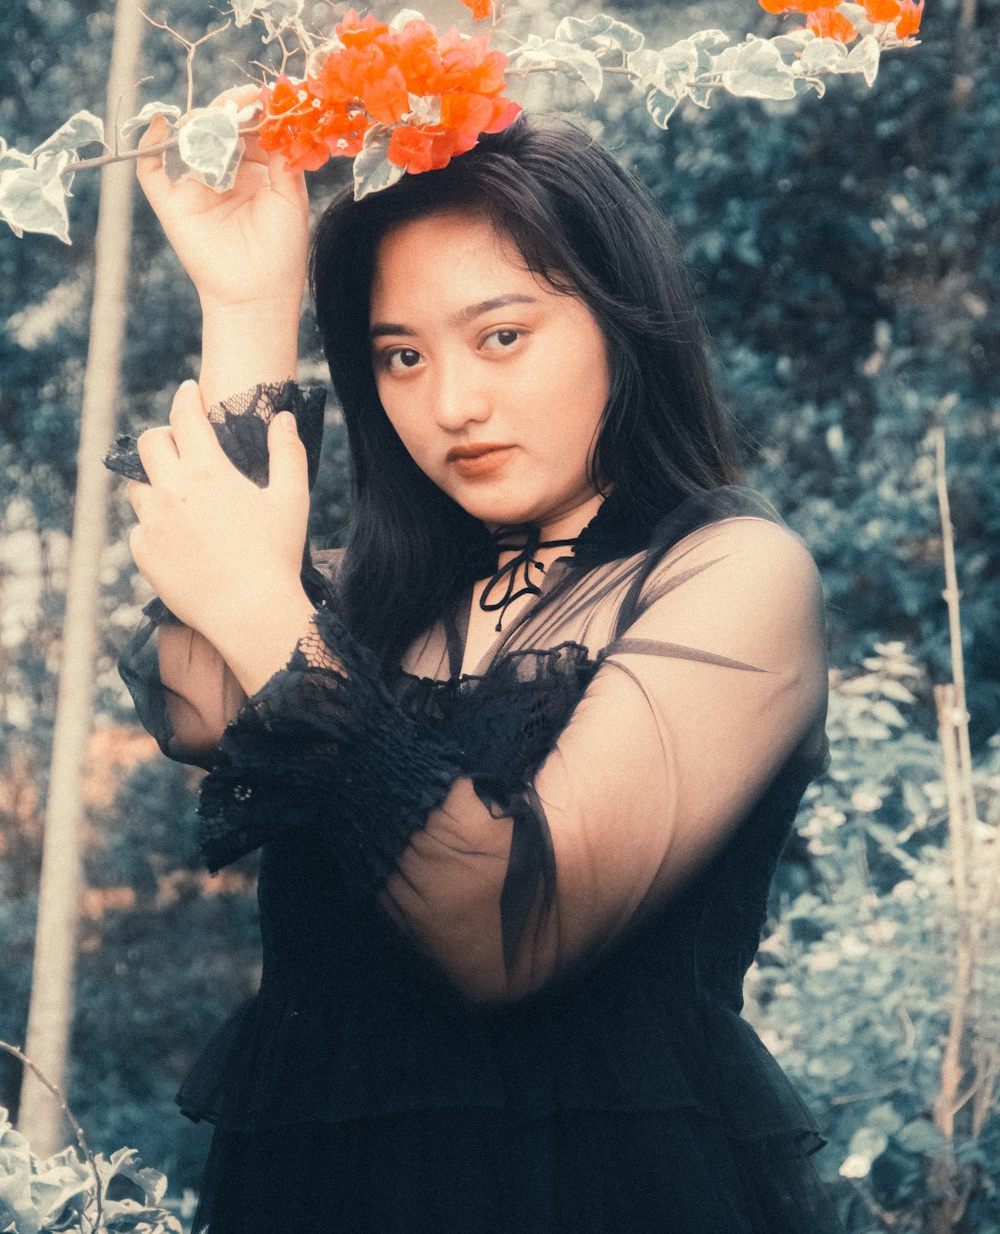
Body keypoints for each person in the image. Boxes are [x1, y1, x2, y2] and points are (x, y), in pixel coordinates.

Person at [108, 98, 847, 1234]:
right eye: (398, 356)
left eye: (501, 335)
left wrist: (263, 603)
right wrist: (252, 305)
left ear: (619, 323)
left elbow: (508, 932)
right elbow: (202, 700)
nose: (450, 404)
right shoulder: (377, 602)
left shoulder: (733, 576)